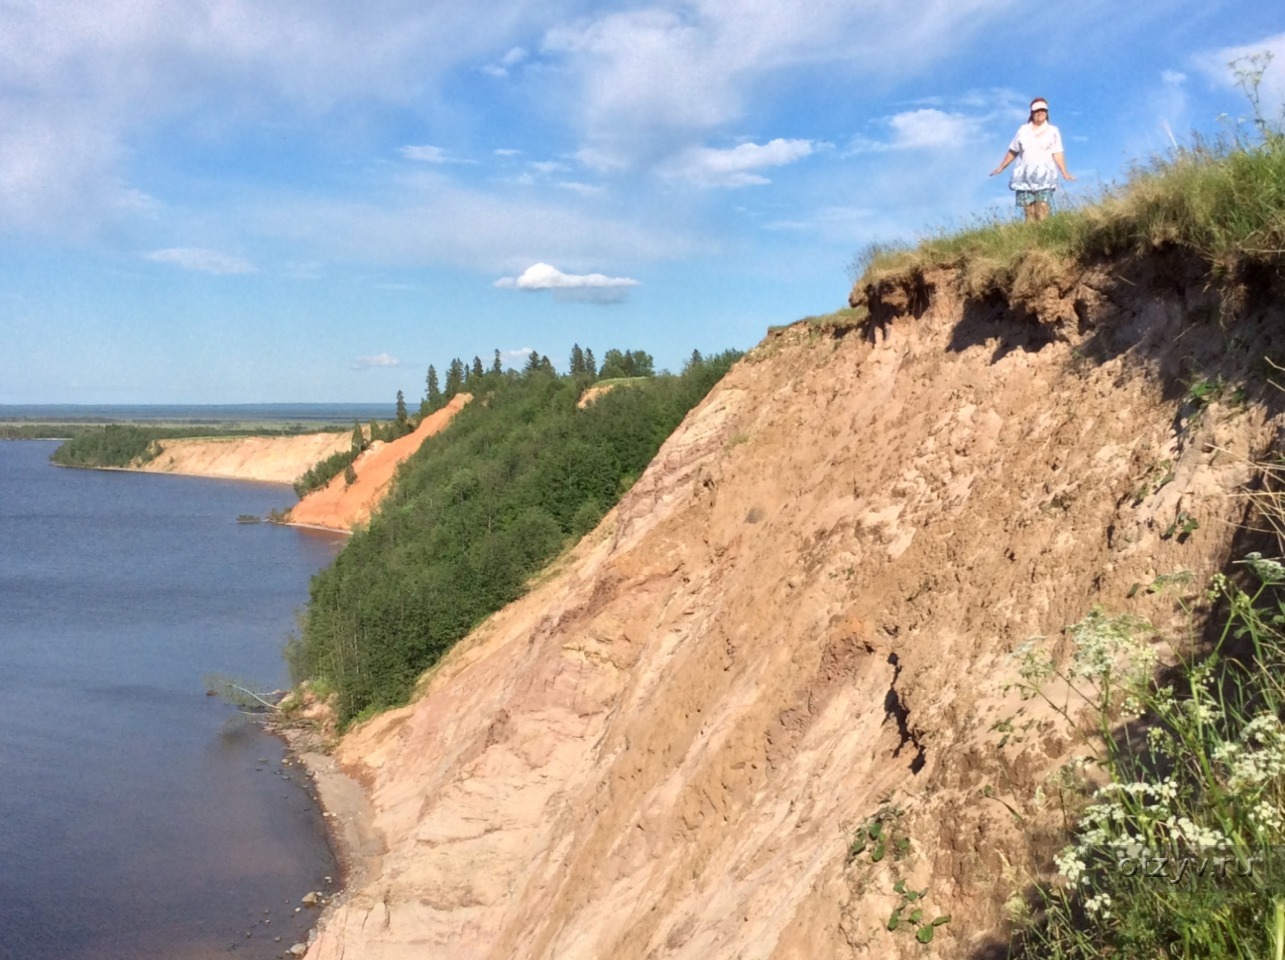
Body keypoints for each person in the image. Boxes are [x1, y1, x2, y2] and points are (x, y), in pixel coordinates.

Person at [990, 97, 1074, 222]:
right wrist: (1001, 167)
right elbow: (1013, 150)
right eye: (1036, 111)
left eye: (1042, 110)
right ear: (1032, 113)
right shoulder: (1023, 130)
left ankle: (1044, 235)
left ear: (1046, 112)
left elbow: (1057, 152)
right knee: (1029, 212)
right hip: (1024, 177)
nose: (1039, 113)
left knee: (1043, 209)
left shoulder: (1053, 131)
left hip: (1044, 176)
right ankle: (1032, 237)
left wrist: (1064, 172)